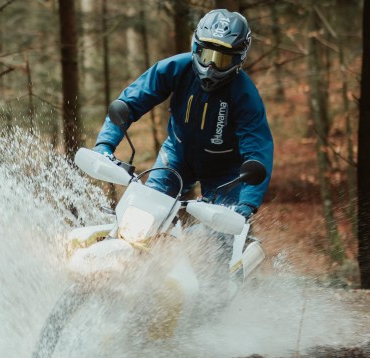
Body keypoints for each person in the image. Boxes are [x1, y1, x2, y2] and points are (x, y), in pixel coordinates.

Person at [93, 9, 274, 220]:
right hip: (176, 156)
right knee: (142, 212)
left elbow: (257, 150)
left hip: (226, 174)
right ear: (196, 47)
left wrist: (247, 202)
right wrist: (105, 144)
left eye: (222, 59)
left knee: (222, 239)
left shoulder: (246, 95)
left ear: (238, 59)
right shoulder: (175, 68)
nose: (211, 66)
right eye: (207, 55)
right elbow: (131, 101)